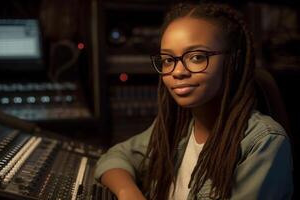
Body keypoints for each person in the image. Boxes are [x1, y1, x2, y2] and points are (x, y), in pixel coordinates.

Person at [94, 2, 293, 200]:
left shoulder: (264, 142)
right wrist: (127, 192)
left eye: (197, 57)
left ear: (233, 61)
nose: (178, 72)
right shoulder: (177, 128)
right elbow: (116, 156)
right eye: (168, 60)